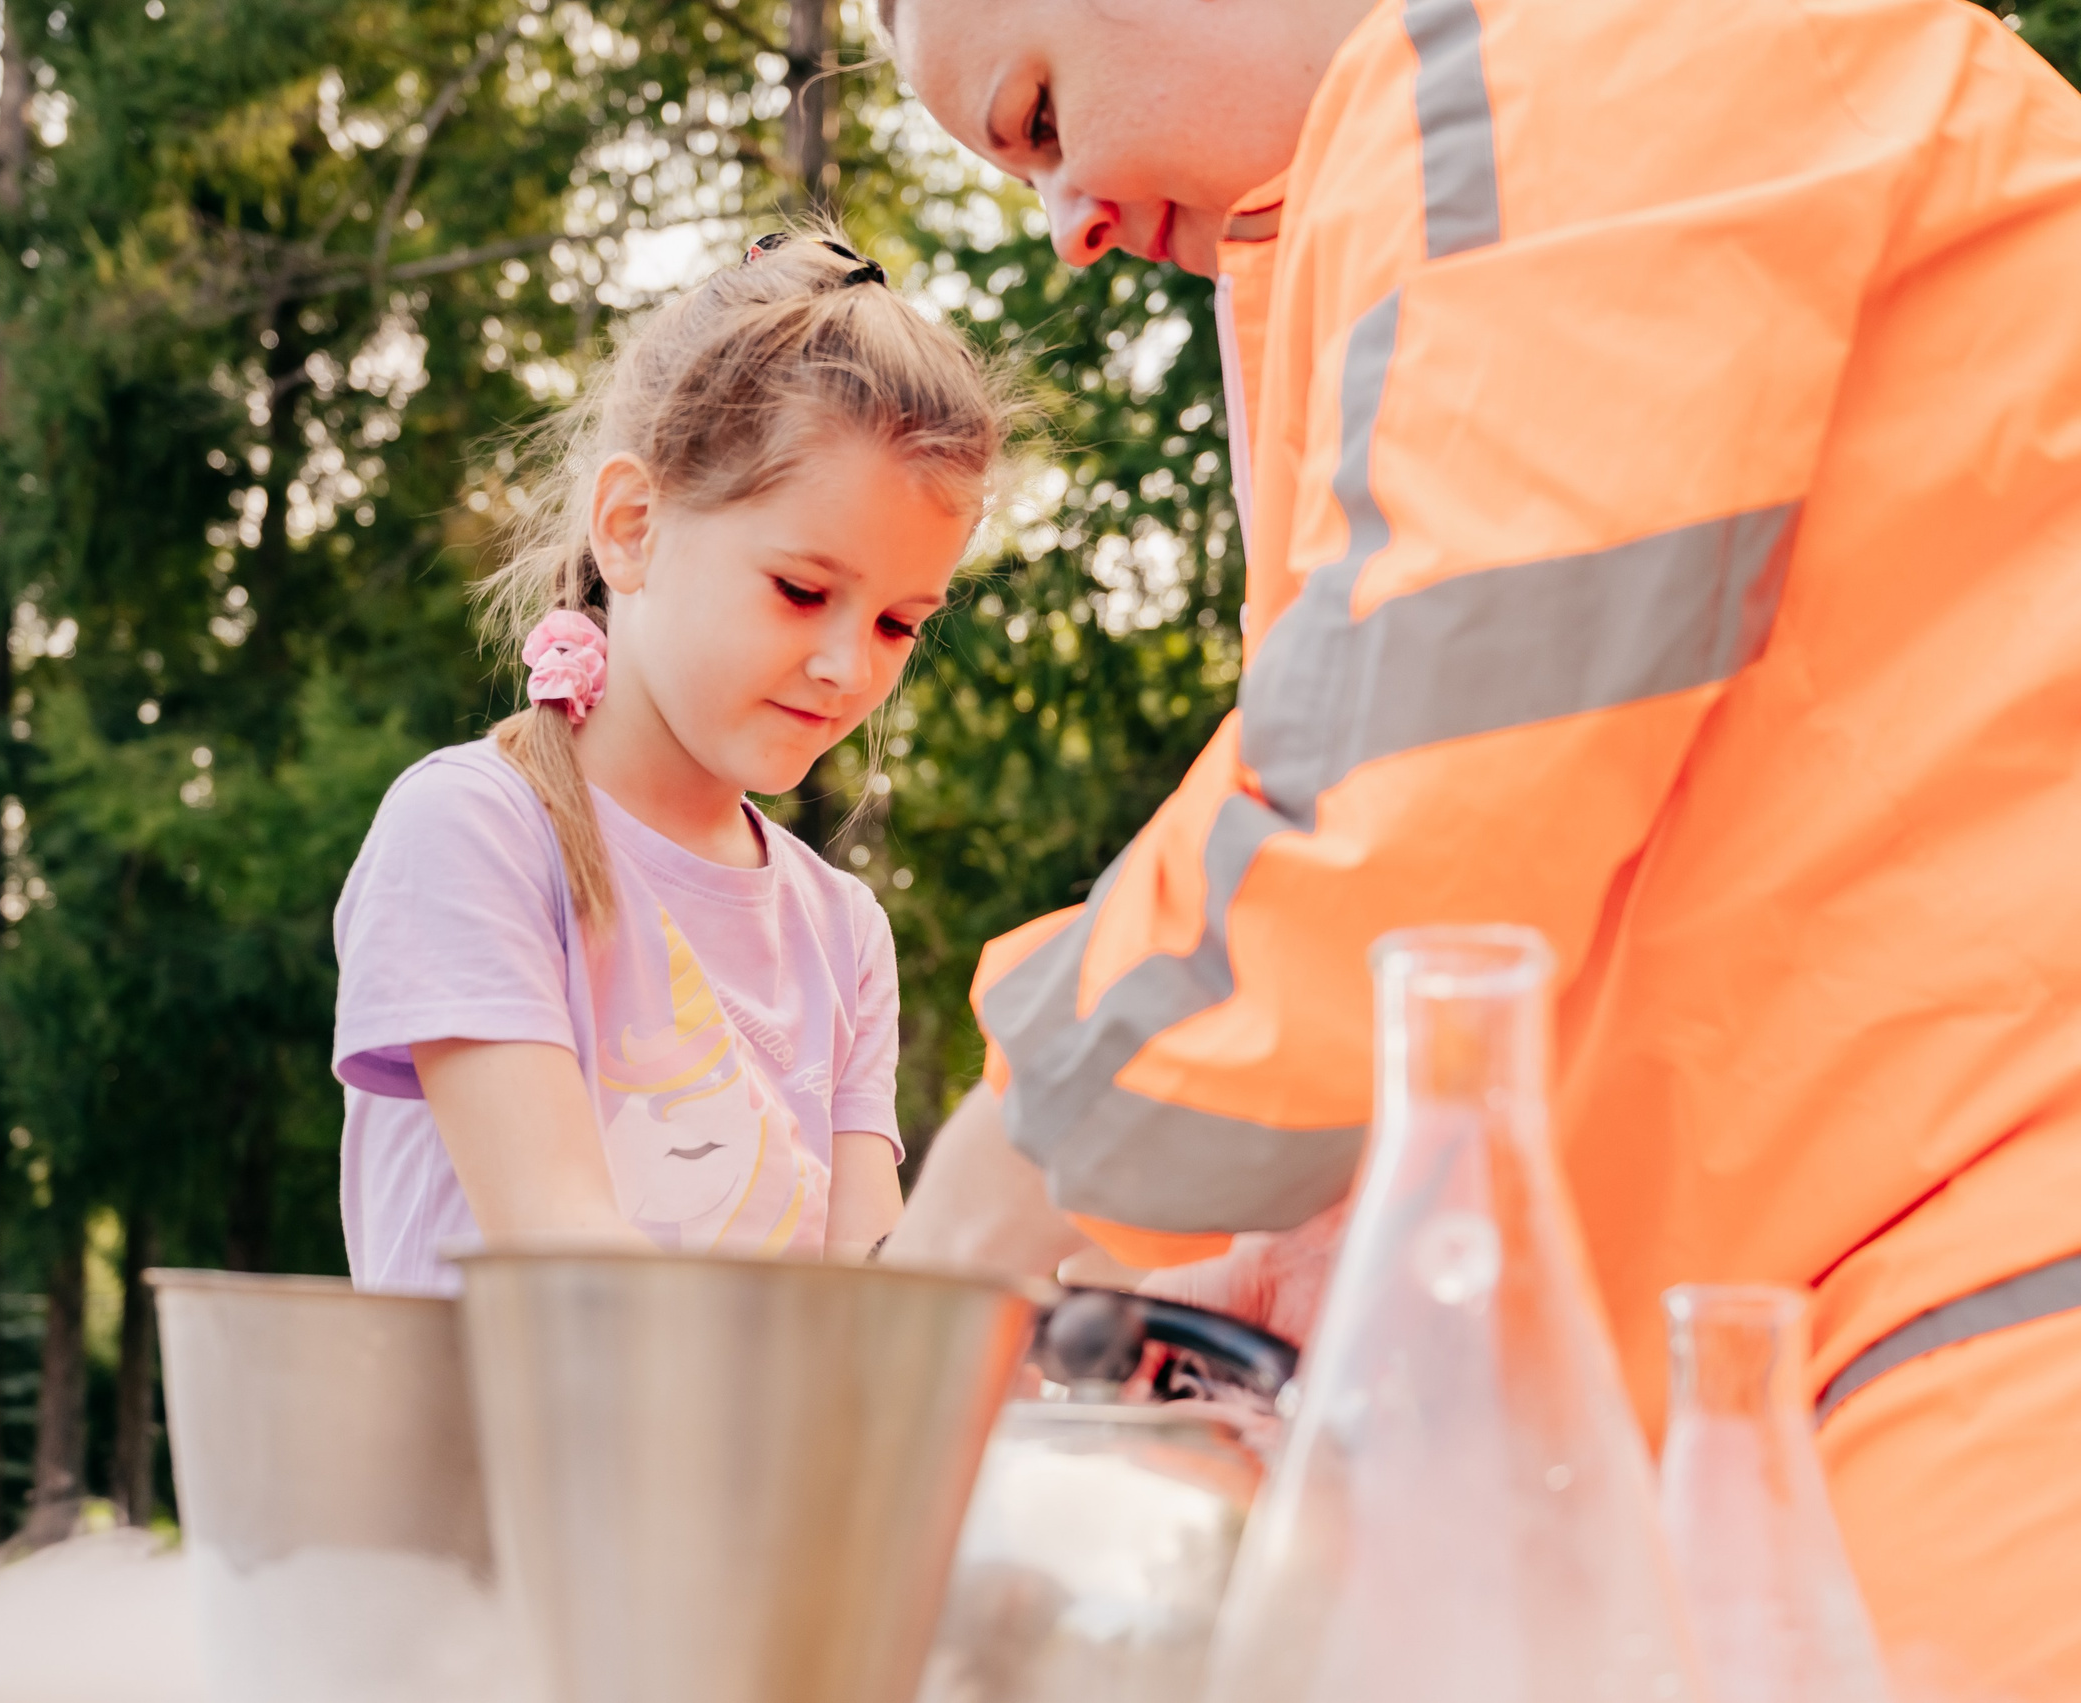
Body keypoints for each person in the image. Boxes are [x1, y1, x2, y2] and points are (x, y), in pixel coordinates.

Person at [875, 0, 2081, 1695]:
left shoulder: (1586, 46)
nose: (1066, 224)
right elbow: (1599, 865)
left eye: (1039, 117)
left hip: (1995, 1353)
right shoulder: (1446, 192)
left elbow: (1408, 796)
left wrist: (988, 1195)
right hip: (1859, 1349)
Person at [331, 227, 1012, 1292]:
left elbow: (862, 1318)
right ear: (633, 524)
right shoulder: (475, 833)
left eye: (896, 622)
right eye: (800, 589)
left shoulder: (846, 936)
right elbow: (561, 1265)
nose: (846, 667)